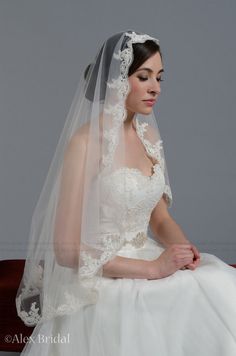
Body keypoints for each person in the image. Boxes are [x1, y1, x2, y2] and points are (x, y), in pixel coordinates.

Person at [16, 30, 236, 355]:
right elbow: (65, 249)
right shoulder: (86, 143)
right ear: (117, 79)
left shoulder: (149, 137)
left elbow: (159, 217)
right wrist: (153, 269)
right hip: (103, 273)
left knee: (216, 281)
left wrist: (182, 248)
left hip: (147, 252)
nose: (156, 88)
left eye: (159, 78)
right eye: (143, 77)